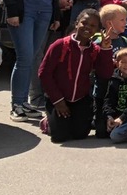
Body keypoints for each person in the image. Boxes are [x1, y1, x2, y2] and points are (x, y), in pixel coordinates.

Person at [37, 9, 114, 143]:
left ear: (97, 30)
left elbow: (105, 74)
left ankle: (68, 121)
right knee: (60, 137)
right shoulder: (60, 45)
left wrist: (106, 49)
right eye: (84, 23)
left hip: (80, 99)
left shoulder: (95, 50)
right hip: (58, 98)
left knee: (80, 134)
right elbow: (44, 74)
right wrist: (58, 101)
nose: (87, 27)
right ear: (77, 23)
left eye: (93, 25)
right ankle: (48, 121)